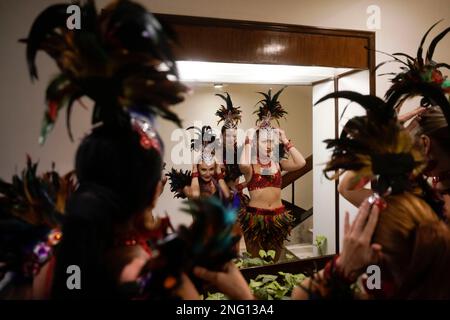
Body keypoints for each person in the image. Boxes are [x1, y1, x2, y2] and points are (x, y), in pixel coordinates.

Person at [239, 87, 306, 261]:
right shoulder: (250, 166)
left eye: (271, 141)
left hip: (278, 218)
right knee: (256, 261)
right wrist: (249, 137)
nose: (268, 145)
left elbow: (301, 163)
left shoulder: (278, 162)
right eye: (264, 142)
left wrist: (284, 139)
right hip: (255, 219)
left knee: (275, 261)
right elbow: (242, 164)